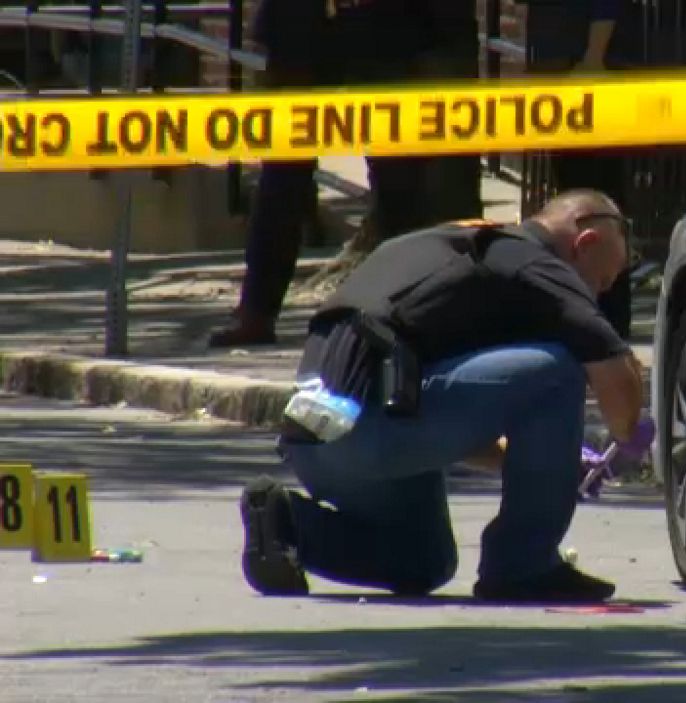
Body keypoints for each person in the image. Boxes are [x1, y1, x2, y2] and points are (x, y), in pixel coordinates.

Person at [238, 189, 654, 603]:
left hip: (315, 438)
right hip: (369, 427)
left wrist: (549, 458)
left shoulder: (450, 249)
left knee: (424, 559)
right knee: (558, 371)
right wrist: (629, 434)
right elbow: (614, 375)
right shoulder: (533, 260)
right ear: (585, 243)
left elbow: (448, 417)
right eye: (602, 281)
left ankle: (286, 523)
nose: (598, 295)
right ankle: (524, 565)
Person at [208, 0, 484, 348]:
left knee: (398, 176)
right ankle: (257, 310)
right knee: (283, 172)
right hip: (301, 27)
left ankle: (397, 309)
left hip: (385, 27)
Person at [522, 0, 635, 340]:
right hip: (564, 73)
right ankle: (587, 317)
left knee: (594, 205)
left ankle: (607, 323)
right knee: (575, 197)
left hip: (584, 73)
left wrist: (593, 58)